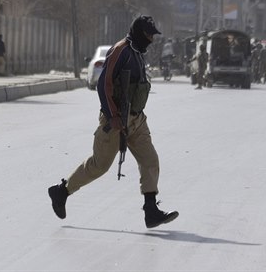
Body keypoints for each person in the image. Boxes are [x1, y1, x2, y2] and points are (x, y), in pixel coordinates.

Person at [47, 15, 179, 229]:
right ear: (138, 33)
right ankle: (62, 191)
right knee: (99, 165)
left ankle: (151, 211)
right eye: (148, 35)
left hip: (137, 120)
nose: (151, 40)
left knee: (150, 160)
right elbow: (104, 85)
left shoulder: (138, 53)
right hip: (116, 119)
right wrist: (113, 116)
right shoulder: (121, 51)